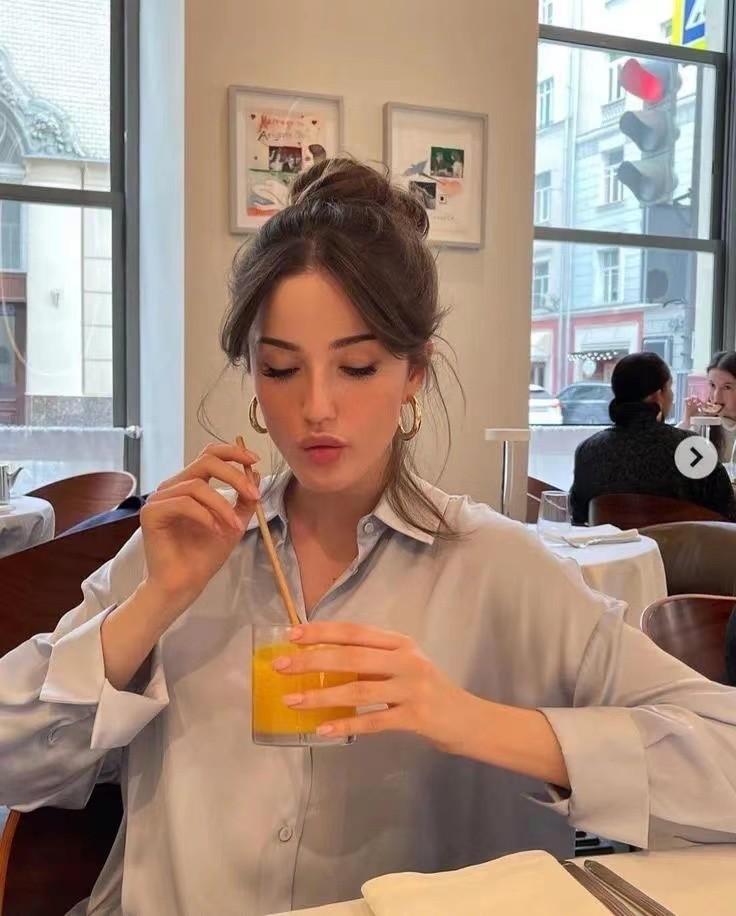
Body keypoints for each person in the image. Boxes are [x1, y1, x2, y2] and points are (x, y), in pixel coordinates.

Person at [2, 162, 736, 916]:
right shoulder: (188, 550)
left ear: (415, 372)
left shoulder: (500, 569)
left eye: (357, 366)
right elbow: (11, 763)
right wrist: (153, 605)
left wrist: (472, 720)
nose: (317, 406)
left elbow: (724, 757)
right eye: (280, 368)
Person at [570, 352, 736, 525]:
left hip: (609, 543)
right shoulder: (694, 450)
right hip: (679, 543)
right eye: (669, 388)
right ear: (658, 396)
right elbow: (728, 518)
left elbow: (579, 518)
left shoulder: (587, 451)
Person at [680, 350, 736, 465]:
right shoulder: (703, 425)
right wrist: (687, 422)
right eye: (712, 385)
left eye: (727, 387)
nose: (716, 396)